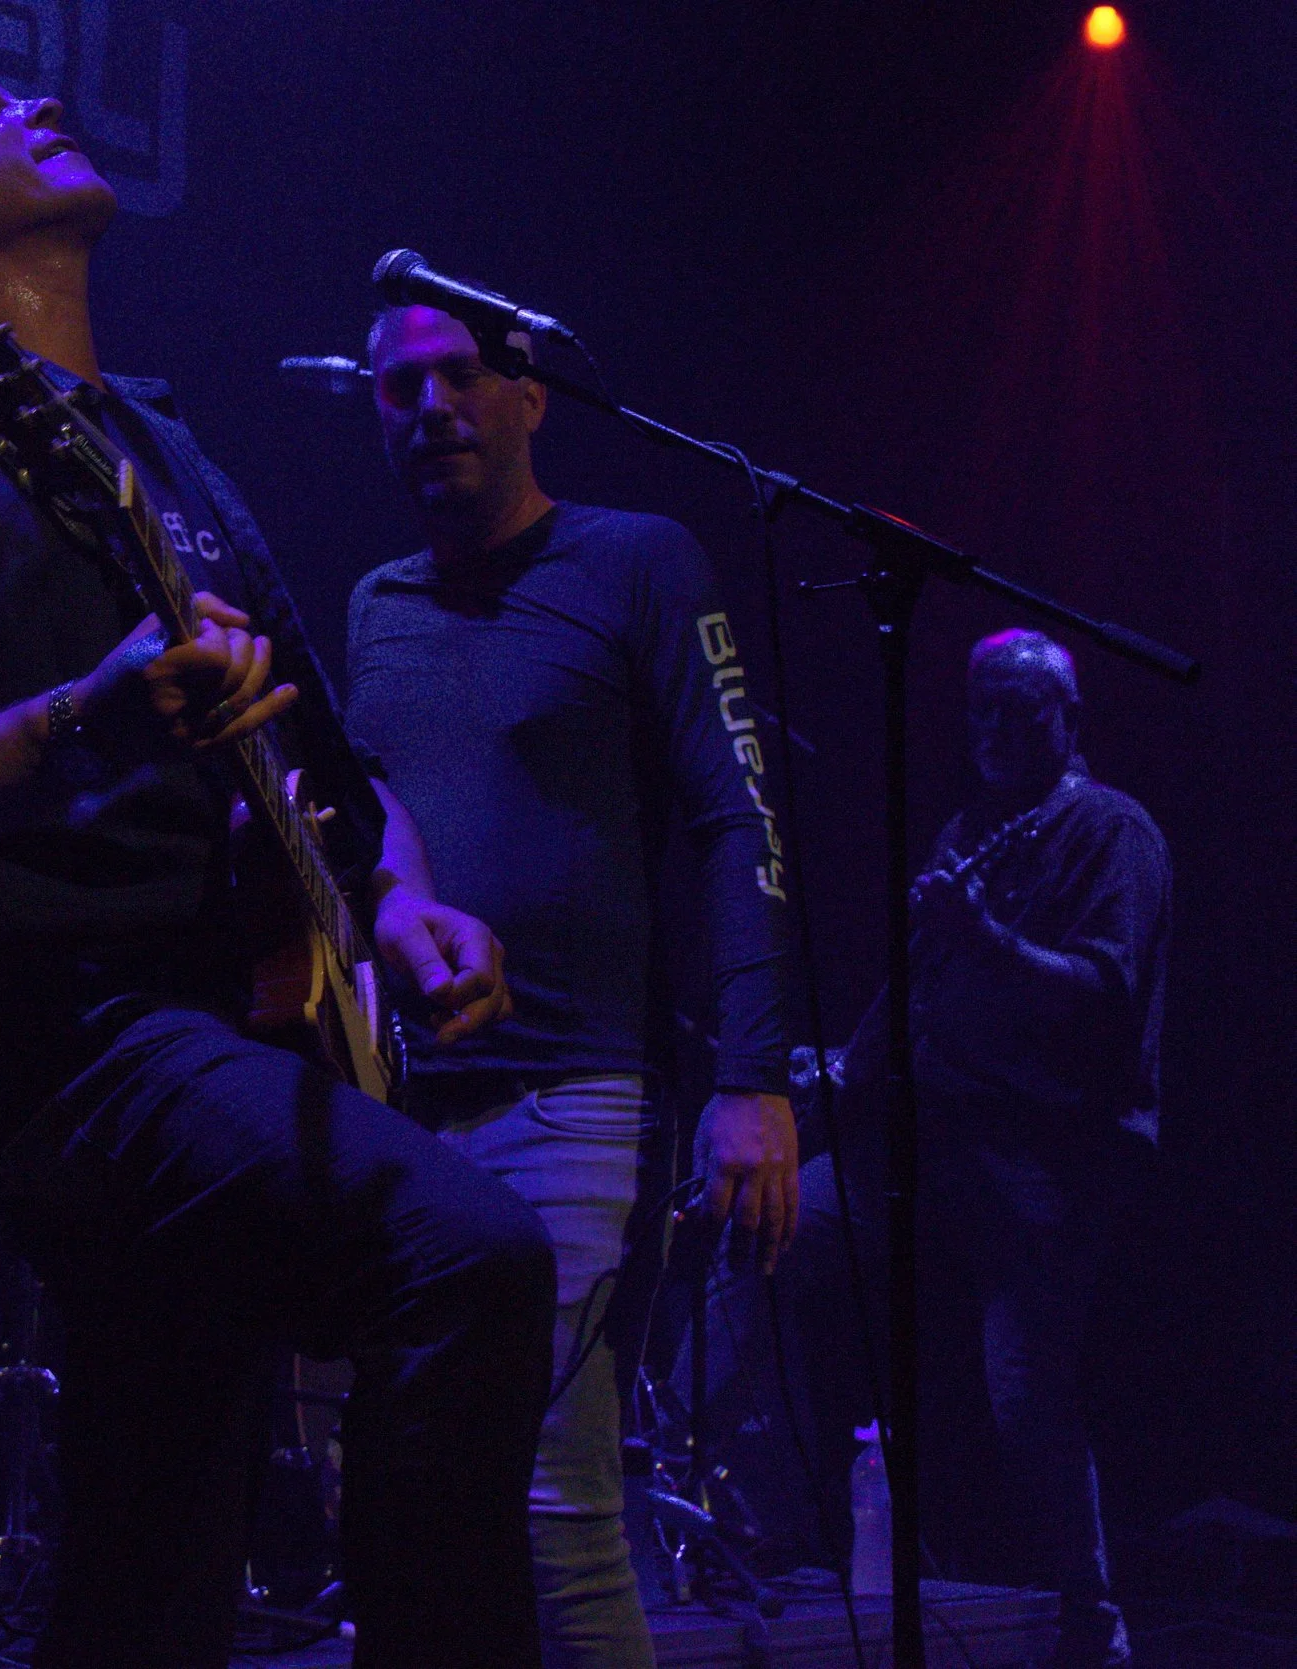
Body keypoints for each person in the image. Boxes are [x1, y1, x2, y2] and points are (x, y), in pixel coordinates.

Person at [0, 45, 557, 1669]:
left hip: (238, 1017)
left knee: (153, 1550)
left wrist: (399, 898)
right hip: (82, 1040)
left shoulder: (162, 450)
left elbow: (329, 762)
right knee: (466, 1249)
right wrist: (86, 711)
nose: (31, 102)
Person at [343, 304, 803, 1669]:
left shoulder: (635, 562)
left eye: (460, 375)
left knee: (553, 1506)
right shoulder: (376, 604)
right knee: (410, 1510)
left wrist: (755, 1076)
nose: (430, 404)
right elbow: (361, 819)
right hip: (398, 1103)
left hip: (575, 1093)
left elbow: (738, 819)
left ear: (530, 392)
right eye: (398, 385)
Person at [702, 628, 1165, 1669]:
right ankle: (785, 1538)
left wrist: (988, 942)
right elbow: (922, 982)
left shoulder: (1110, 830)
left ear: (1069, 721)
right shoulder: (972, 826)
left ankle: (1090, 1625)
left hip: (1044, 1156)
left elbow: (1110, 993)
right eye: (981, 712)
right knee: (761, 1227)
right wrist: (845, 1070)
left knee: (1023, 1392)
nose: (996, 730)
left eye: (1020, 712)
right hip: (928, 1136)